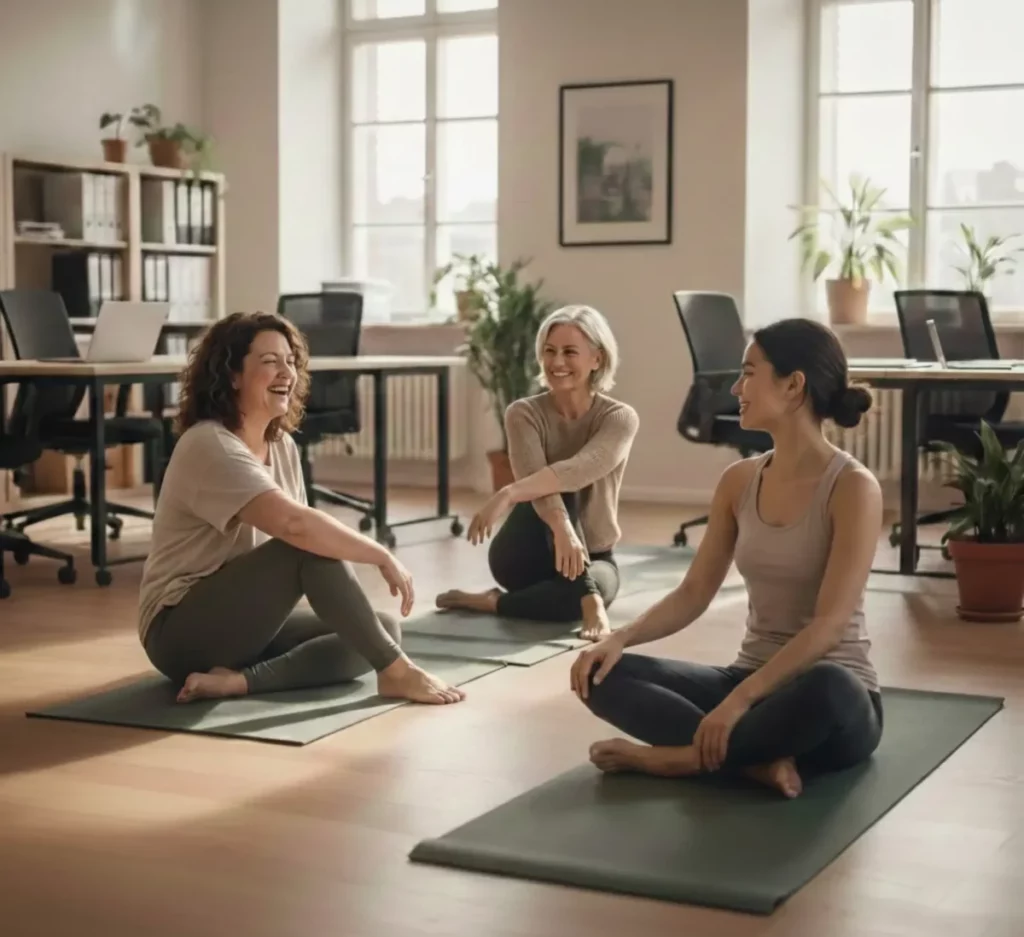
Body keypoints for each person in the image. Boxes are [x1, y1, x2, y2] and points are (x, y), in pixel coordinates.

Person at [570, 317, 883, 798]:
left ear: (793, 385)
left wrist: (738, 702)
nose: (736, 388)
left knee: (831, 686)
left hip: (827, 701)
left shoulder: (853, 487)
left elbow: (828, 627)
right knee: (601, 672)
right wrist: (619, 639)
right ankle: (750, 763)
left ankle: (681, 759)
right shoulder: (739, 481)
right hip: (749, 679)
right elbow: (695, 592)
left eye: (749, 373)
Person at [138, 311, 466, 706]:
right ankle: (398, 673)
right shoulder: (210, 444)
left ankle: (238, 682)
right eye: (269, 361)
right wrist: (380, 554)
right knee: (308, 547)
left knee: (381, 632)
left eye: (291, 362)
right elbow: (297, 528)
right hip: (177, 631)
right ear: (232, 375)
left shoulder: (282, 447)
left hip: (242, 621)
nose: (286, 373)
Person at [436, 304, 639, 641]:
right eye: (549, 351)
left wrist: (509, 492)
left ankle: (494, 602)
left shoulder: (619, 418)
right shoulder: (523, 413)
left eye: (569, 352)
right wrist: (561, 527)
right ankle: (588, 598)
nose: (557, 362)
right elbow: (544, 479)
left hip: (594, 553)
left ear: (597, 359)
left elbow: (579, 469)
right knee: (555, 490)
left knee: (584, 592)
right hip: (524, 554)